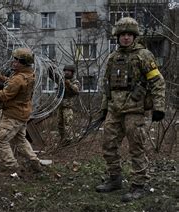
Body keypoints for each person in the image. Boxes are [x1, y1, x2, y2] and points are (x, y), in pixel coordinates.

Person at [96, 17, 165, 202]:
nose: (125, 38)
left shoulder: (144, 55)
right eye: (122, 35)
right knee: (108, 145)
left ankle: (139, 185)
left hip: (135, 109)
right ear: (117, 37)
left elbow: (157, 82)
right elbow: (107, 85)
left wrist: (159, 107)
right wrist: (104, 108)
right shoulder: (113, 57)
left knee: (136, 148)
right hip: (114, 109)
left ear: (134, 36)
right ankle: (115, 179)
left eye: (129, 35)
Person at [0, 48, 43, 173]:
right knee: (21, 140)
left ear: (23, 63)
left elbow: (4, 95)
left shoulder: (18, 78)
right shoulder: (28, 75)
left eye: (16, 61)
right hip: (22, 113)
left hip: (13, 115)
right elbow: (12, 84)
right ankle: (35, 163)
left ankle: (12, 168)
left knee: (1, 141)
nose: (13, 62)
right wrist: (0, 77)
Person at [56, 65, 80, 144]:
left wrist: (68, 84)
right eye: (65, 71)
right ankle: (62, 139)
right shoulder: (62, 81)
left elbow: (76, 90)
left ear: (72, 73)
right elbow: (55, 78)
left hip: (68, 106)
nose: (66, 72)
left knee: (68, 123)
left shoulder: (75, 81)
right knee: (60, 123)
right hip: (60, 105)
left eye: (68, 71)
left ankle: (69, 140)